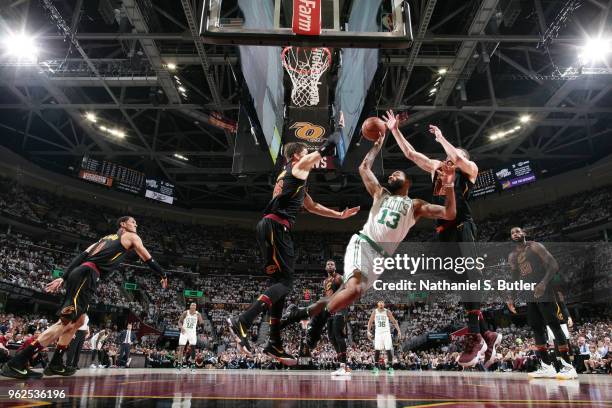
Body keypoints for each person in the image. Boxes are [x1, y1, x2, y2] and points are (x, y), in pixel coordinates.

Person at [282, 132, 457, 337]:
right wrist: (376, 146)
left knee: (346, 296)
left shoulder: (416, 205)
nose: (391, 175)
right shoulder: (380, 193)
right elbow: (363, 167)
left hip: (380, 260)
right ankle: (319, 321)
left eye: (397, 174)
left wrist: (450, 185)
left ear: (407, 182)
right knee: (353, 290)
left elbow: (449, 213)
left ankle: (300, 314)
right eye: (391, 175)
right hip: (364, 244)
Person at [227, 128, 360, 366]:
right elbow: (326, 149)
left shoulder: (290, 177)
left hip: (268, 227)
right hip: (277, 228)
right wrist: (340, 130)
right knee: (286, 283)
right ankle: (243, 321)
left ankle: (274, 343)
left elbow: (312, 206)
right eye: (306, 152)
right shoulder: (297, 167)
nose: (310, 155)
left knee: (279, 287)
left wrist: (339, 215)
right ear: (297, 156)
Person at [383, 110, 501, 368]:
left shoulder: (469, 169)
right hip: (442, 230)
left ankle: (475, 336)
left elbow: (458, 157)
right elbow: (411, 155)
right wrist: (395, 131)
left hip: (462, 225)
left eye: (453, 155)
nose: (449, 157)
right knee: (453, 279)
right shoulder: (437, 168)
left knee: (468, 275)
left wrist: (442, 139)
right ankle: (486, 331)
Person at [1, 216, 168, 379]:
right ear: (123, 224)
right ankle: (17, 362)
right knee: (64, 322)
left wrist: (64, 277)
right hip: (86, 275)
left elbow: (81, 256)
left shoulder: (105, 239)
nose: (136, 225)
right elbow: (147, 257)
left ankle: (56, 363)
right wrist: (162, 273)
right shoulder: (131, 236)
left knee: (79, 321)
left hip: (83, 273)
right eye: (133, 222)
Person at [507, 227, 577, 380]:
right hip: (529, 294)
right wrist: (511, 297)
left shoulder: (535, 246)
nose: (516, 234)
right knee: (536, 327)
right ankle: (547, 366)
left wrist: (544, 283)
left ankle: (568, 366)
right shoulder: (512, 256)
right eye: (513, 233)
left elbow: (553, 265)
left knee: (554, 325)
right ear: (511, 237)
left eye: (518, 231)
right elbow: (514, 278)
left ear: (524, 233)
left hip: (544, 290)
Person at [296, 260, 351, 376]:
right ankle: (343, 365)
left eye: (332, 264)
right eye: (328, 264)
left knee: (338, 335)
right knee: (331, 337)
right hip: (330, 310)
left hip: (340, 308)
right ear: (326, 268)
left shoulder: (339, 278)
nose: (330, 266)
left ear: (335, 267)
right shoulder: (325, 281)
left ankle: (344, 366)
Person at [367, 300, 401, 375]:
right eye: (380, 303)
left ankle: (390, 367)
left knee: (388, 349)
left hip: (386, 333)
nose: (381, 304)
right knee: (377, 350)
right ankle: (376, 367)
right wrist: (368, 332)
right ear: (377, 304)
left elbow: (394, 321)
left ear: (384, 304)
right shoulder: (374, 312)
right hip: (378, 333)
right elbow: (370, 322)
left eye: (382, 303)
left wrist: (399, 330)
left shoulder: (387, 311)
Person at [176, 303, 204, 371]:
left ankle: (193, 364)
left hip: (192, 333)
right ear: (190, 306)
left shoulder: (198, 314)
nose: (193, 307)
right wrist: (181, 327)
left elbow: (201, 323)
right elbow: (179, 321)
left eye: (195, 306)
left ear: (196, 307)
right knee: (181, 348)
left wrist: (201, 320)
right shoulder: (186, 312)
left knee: (193, 348)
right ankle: (179, 364)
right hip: (184, 332)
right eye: (192, 305)